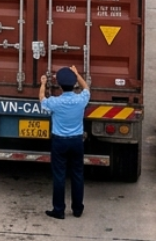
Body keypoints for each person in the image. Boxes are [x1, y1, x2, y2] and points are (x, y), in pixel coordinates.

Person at [40, 66, 90, 220]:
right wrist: (77, 74)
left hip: (59, 141)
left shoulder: (55, 102)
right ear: (74, 84)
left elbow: (42, 99)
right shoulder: (81, 100)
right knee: (77, 174)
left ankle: (59, 210)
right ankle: (77, 209)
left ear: (60, 86)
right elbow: (86, 87)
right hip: (76, 141)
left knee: (59, 175)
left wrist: (43, 83)